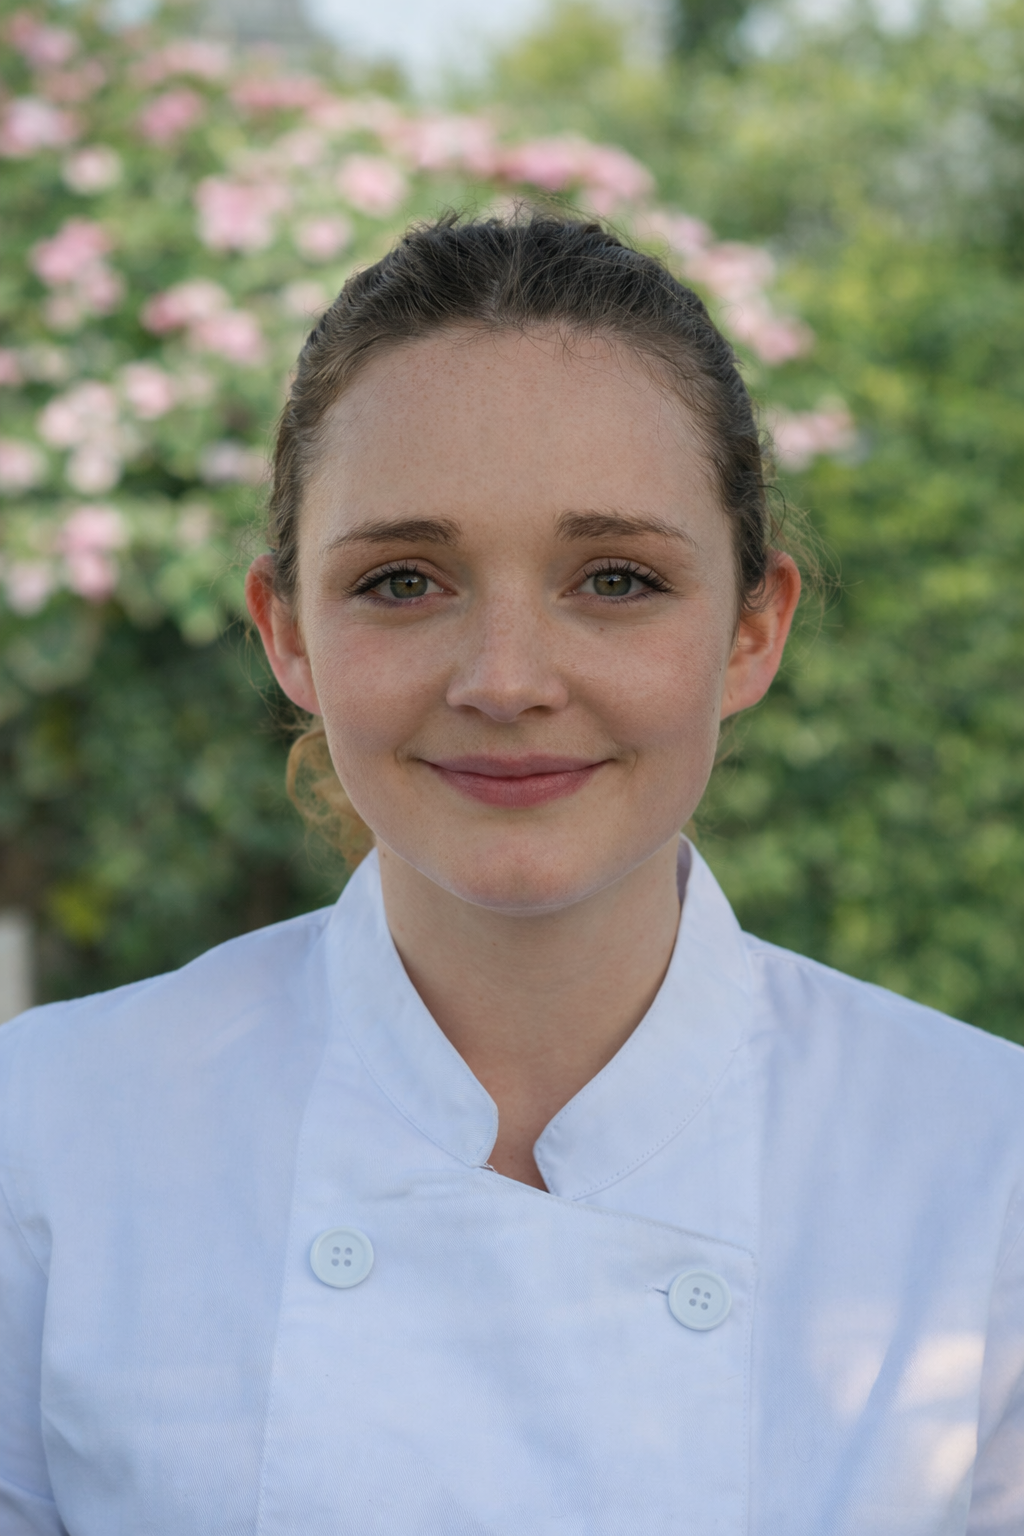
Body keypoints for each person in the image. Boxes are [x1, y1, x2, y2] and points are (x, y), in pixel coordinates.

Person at [0, 214, 1021, 1536]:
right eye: (404, 581)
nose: (508, 681)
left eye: (614, 577)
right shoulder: (44, 1142)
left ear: (752, 630)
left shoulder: (988, 1170)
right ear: (288, 634)